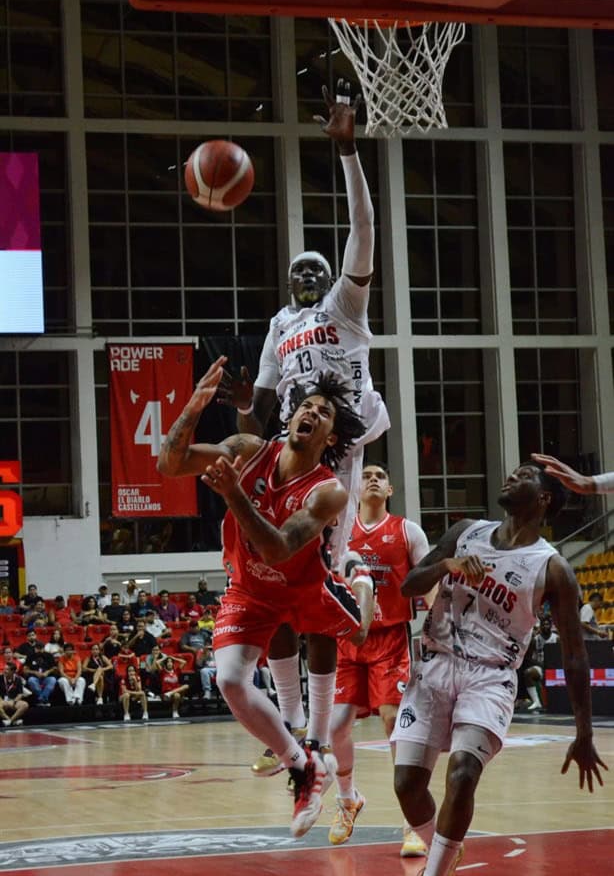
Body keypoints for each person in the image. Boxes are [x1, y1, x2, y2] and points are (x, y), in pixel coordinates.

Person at [217, 80, 389, 768]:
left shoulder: (345, 308)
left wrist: (348, 153)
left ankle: (317, 723)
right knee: (267, 571)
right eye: (302, 273)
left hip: (341, 441)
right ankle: (289, 724)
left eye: (320, 270)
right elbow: (261, 407)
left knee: (317, 574)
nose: (312, 277)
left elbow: (364, 231)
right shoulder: (278, 324)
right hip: (288, 448)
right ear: (290, 285)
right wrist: (238, 404)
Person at [158, 357, 372, 837]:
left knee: (346, 631)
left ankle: (360, 579)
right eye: (306, 406)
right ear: (291, 416)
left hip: (302, 587)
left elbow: (277, 549)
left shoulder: (330, 492)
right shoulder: (248, 448)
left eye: (323, 413)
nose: (311, 413)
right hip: (250, 588)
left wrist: (235, 495)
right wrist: (192, 407)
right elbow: (168, 463)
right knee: (230, 680)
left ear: (330, 438)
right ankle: (301, 765)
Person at [392, 462, 607, 876]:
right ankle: (446, 846)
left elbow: (575, 654)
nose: (511, 475)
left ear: (544, 498)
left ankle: (435, 870)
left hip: (490, 677)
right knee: (406, 785)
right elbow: (408, 586)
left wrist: (584, 732)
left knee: (463, 771)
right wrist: (445, 567)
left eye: (524, 475)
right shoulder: (465, 532)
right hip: (435, 665)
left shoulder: (552, 567)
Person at [328, 463, 432, 855]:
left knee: (393, 720)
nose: (372, 478)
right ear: (356, 487)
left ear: (389, 489)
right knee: (336, 726)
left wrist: (438, 626)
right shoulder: (339, 531)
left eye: (380, 476)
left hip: (390, 637)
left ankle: (412, 823)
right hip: (345, 638)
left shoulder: (407, 531)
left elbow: (428, 581)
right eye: (366, 473)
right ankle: (348, 798)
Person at [523, 614, 559, 712]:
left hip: (554, 669)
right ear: (540, 626)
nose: (545, 626)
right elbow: (529, 658)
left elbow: (560, 657)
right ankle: (536, 702)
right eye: (543, 624)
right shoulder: (535, 639)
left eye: (547, 624)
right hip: (541, 667)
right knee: (528, 673)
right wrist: (540, 664)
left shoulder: (556, 638)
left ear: (551, 626)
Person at [23, 640, 57, 706]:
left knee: (52, 680)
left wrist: (47, 672)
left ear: (43, 648)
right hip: (35, 678)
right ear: (35, 649)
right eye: (37, 648)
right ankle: (44, 699)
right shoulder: (30, 656)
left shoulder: (49, 656)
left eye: (41, 648)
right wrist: (35, 672)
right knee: (31, 680)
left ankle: (40, 699)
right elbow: (25, 670)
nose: (39, 650)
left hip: (47, 677)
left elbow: (55, 668)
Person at [158, 654, 189, 719]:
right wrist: (165, 658)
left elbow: (184, 662)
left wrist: (173, 658)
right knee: (177, 695)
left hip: (174, 692)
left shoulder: (176, 671)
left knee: (186, 686)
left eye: (171, 662)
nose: (169, 663)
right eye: (168, 662)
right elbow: (157, 662)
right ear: (165, 664)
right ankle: (174, 710)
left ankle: (175, 711)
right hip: (165, 693)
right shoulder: (163, 672)